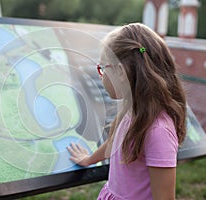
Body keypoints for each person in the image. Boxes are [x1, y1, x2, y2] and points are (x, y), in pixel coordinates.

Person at [67, 23, 186, 200]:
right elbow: (115, 142)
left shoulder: (158, 131)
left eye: (102, 69)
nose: (101, 76)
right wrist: (89, 159)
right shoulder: (133, 110)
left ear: (121, 72)